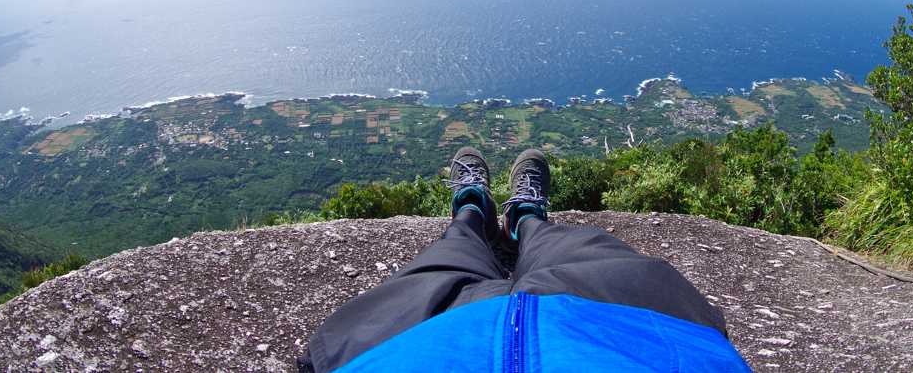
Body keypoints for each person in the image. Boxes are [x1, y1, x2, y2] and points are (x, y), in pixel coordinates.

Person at [298, 147, 752, 373]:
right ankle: (526, 219)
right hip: (627, 334)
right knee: (585, 251)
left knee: (444, 264)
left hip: (413, 346)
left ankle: (473, 212)